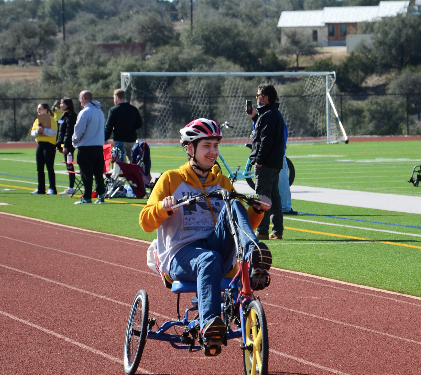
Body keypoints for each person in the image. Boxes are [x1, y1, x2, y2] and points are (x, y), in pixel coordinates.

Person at [139, 118, 272, 356]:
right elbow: (145, 222)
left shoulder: (222, 182)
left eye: (215, 146)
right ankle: (210, 324)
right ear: (190, 149)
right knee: (209, 258)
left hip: (217, 251)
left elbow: (239, 225)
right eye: (206, 146)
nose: (213, 152)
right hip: (181, 254)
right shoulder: (170, 179)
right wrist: (163, 208)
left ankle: (254, 254)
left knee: (233, 204)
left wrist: (258, 210)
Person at [246, 84, 286, 240]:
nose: (256, 98)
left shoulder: (268, 115)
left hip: (266, 164)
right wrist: (254, 117)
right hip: (275, 163)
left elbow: (266, 140)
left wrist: (259, 161)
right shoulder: (272, 114)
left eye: (258, 96)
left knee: (263, 196)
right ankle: (277, 230)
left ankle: (262, 230)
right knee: (274, 197)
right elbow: (265, 130)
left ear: (266, 97)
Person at [72, 90, 106, 205]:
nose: (80, 101)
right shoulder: (100, 111)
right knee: (98, 173)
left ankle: (87, 197)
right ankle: (101, 196)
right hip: (98, 147)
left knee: (86, 173)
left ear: (84, 99)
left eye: (80, 99)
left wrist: (74, 140)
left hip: (86, 147)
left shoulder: (85, 112)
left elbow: (79, 130)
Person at [104, 89, 142, 162]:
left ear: (117, 97)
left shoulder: (113, 110)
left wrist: (105, 138)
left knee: (121, 165)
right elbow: (139, 124)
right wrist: (131, 128)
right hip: (132, 140)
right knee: (134, 164)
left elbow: (109, 127)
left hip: (119, 141)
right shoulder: (133, 109)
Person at [30, 103, 59, 195]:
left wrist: (44, 131)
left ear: (46, 109)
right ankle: (41, 189)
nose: (38, 110)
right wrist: (38, 132)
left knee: (49, 167)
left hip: (49, 145)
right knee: (39, 168)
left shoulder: (51, 119)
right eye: (37, 108)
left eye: (40, 108)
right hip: (40, 144)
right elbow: (32, 132)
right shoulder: (37, 120)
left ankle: (52, 188)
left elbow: (54, 132)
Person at [55, 97, 78, 196]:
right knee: (68, 165)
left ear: (68, 105)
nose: (60, 105)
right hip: (64, 144)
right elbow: (61, 132)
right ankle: (70, 187)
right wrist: (58, 144)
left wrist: (66, 145)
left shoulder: (71, 116)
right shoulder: (64, 115)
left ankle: (71, 188)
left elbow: (69, 132)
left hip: (69, 145)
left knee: (70, 165)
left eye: (62, 103)